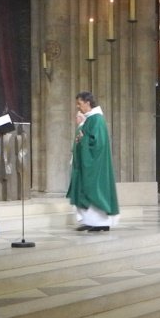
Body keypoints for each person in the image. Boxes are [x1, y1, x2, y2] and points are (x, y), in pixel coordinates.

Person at [67, 92, 119, 232]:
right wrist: (80, 130)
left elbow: (98, 144)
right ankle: (91, 222)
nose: (78, 107)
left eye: (80, 103)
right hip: (89, 163)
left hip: (95, 165)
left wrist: (82, 139)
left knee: (94, 190)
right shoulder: (90, 119)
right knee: (86, 190)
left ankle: (101, 223)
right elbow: (83, 137)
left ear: (88, 102)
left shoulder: (97, 119)